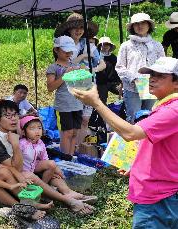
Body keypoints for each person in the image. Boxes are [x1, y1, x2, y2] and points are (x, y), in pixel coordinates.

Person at [71, 56, 178, 228]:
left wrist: (97, 103)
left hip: (158, 197)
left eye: (160, 76)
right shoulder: (163, 106)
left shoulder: (173, 109)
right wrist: (137, 165)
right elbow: (163, 146)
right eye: (151, 75)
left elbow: (130, 133)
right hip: (159, 191)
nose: (152, 79)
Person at [0, 100, 95, 215]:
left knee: (52, 169)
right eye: (8, 116)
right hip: (7, 178)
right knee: (30, 175)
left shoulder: (12, 129)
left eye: (15, 115)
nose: (13, 119)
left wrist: (50, 166)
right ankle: (67, 200)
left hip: (24, 167)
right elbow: (16, 169)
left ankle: (68, 192)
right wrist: (15, 145)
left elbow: (33, 151)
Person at [19, 115, 98, 203]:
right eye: (32, 128)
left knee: (53, 166)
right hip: (23, 171)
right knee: (52, 168)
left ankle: (64, 191)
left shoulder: (40, 143)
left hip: (34, 167)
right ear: (23, 132)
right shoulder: (21, 144)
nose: (37, 131)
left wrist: (52, 170)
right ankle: (45, 191)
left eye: (39, 128)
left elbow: (45, 159)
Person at [54, 13, 105, 145]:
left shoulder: (89, 45)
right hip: (70, 87)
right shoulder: (62, 46)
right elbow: (64, 65)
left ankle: (77, 147)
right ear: (68, 30)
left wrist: (93, 70)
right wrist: (82, 57)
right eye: (75, 27)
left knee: (85, 119)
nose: (78, 31)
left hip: (87, 84)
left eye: (81, 27)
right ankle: (68, 149)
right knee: (70, 121)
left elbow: (102, 64)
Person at [116, 13, 165, 124]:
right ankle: (134, 142)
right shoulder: (126, 45)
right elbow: (119, 67)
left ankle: (147, 142)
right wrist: (134, 78)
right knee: (133, 118)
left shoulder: (157, 45)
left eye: (143, 23)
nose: (140, 26)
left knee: (150, 116)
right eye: (136, 24)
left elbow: (163, 66)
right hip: (132, 87)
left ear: (149, 25)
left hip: (152, 86)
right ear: (132, 27)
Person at [46, 35, 83, 155]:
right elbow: (50, 87)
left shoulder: (74, 65)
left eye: (70, 51)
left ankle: (71, 157)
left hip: (77, 103)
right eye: (65, 51)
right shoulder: (53, 67)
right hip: (63, 105)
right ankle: (65, 157)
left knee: (75, 133)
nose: (68, 53)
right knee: (67, 133)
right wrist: (64, 75)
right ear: (56, 50)